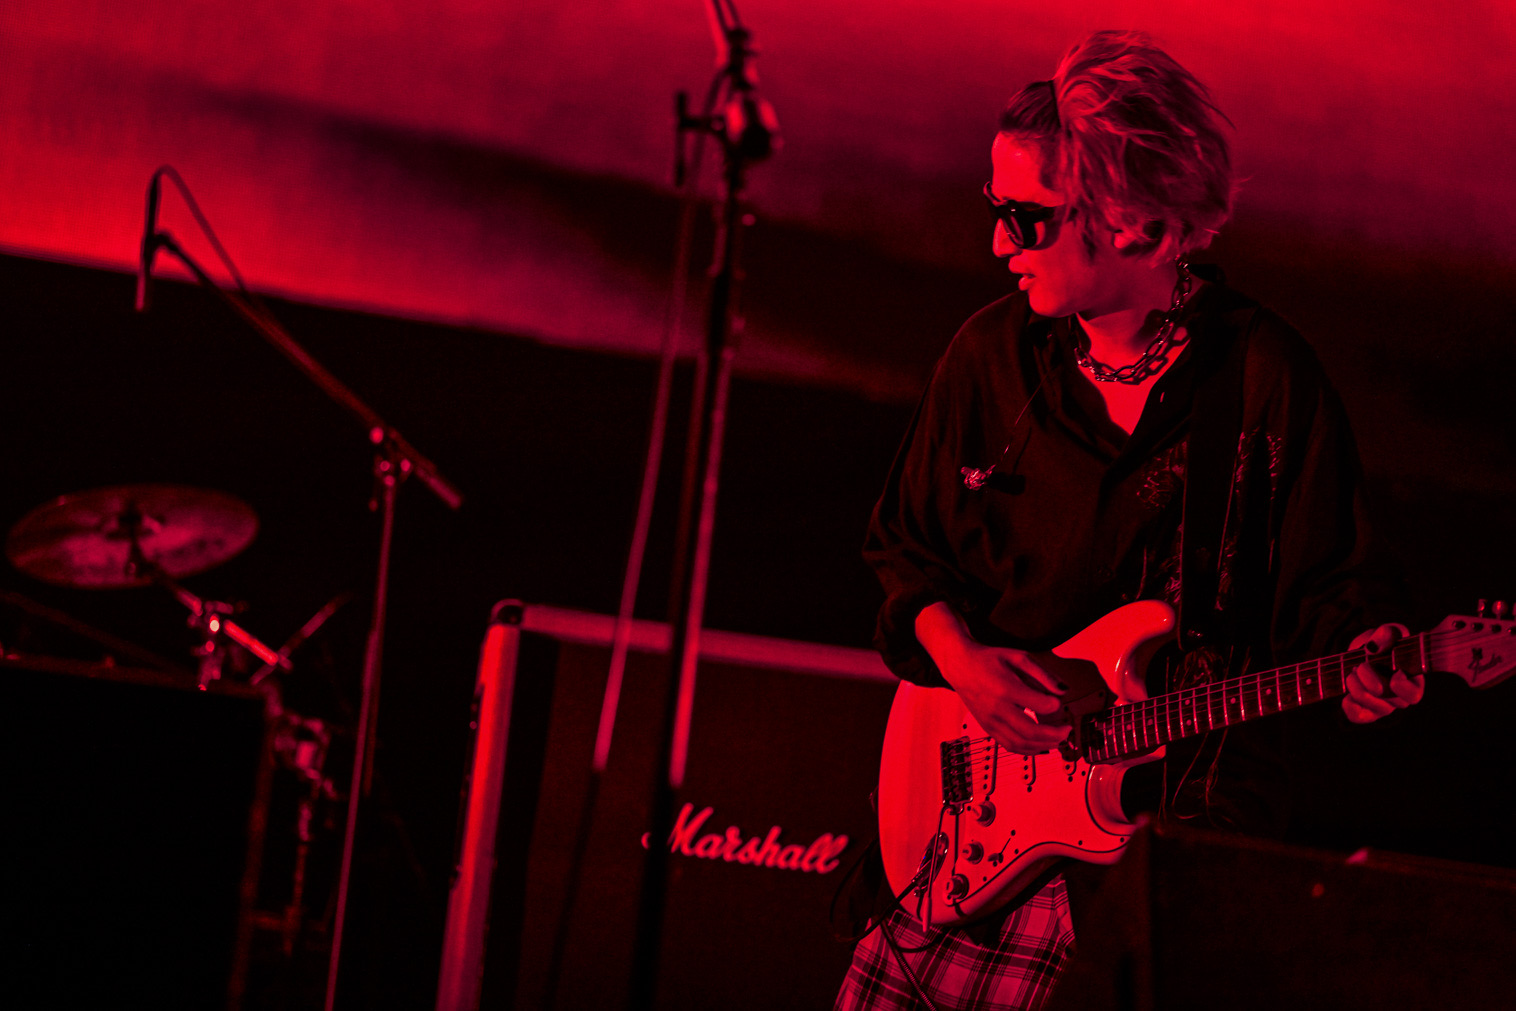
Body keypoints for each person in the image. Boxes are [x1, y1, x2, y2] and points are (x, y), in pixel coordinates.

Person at [835, 29, 1424, 1011]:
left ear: (1139, 230)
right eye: (996, 210)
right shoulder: (989, 357)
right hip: (969, 840)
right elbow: (905, 551)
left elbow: (1333, 585)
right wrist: (963, 662)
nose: (999, 245)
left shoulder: (1265, 378)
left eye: (1026, 219)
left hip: (1172, 851)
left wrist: (1368, 651)